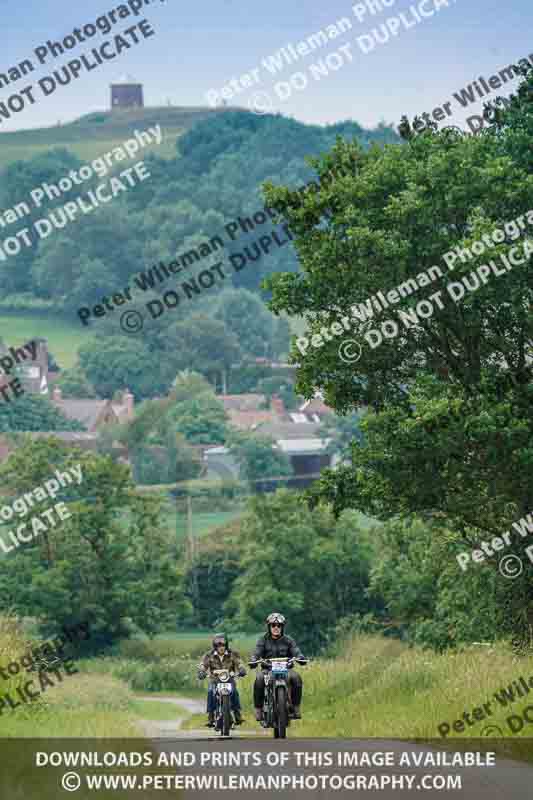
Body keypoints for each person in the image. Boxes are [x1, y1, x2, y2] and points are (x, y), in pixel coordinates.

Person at [249, 612, 307, 722]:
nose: (276, 628)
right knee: (259, 679)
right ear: (269, 627)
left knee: (296, 678)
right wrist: (253, 659)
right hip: (268, 669)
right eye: (273, 625)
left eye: (279, 625)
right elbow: (257, 651)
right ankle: (258, 709)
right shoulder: (263, 640)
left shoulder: (288, 640)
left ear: (282, 627)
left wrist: (300, 657)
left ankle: (296, 707)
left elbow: (296, 650)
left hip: (286, 669)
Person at [197, 633, 246, 727]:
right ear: (215, 646)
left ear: (226, 645)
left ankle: (237, 715)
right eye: (218, 645)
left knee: (234, 692)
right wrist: (201, 671)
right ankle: (211, 717)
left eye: (223, 645)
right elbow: (203, 665)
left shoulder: (233, 654)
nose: (221, 647)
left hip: (229, 680)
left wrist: (241, 669)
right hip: (215, 680)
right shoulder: (209, 655)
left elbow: (239, 663)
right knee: (210, 692)